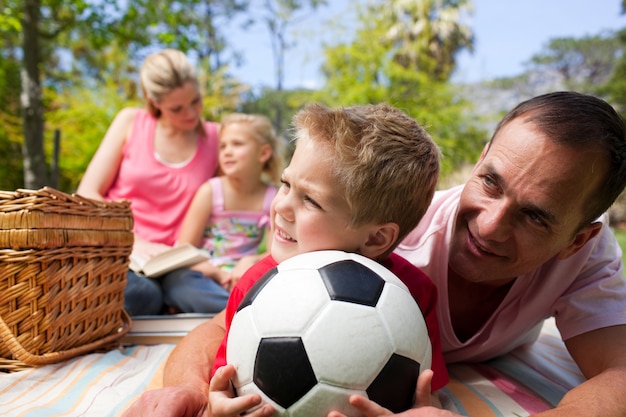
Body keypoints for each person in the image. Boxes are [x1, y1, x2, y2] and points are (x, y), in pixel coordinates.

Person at [123, 91, 626, 417]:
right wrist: (189, 390)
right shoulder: (368, 224)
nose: (490, 226)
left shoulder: (590, 256)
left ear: (578, 238)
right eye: (490, 181)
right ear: (479, 160)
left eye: (535, 215)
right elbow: (220, 328)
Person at [208, 102, 447, 417]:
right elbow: (222, 388)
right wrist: (217, 409)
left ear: (376, 238)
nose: (281, 207)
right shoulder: (254, 288)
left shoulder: (415, 294)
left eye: (309, 199)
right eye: (285, 184)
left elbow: (428, 397)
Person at [77, 48, 222, 316]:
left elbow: (231, 200)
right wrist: (136, 240)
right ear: (154, 102)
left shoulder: (216, 137)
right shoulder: (131, 122)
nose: (191, 113)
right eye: (177, 108)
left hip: (177, 261)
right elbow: (87, 191)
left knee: (200, 295)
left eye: (196, 101)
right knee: (142, 295)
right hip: (123, 252)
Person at [166, 113, 282, 313]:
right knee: (178, 284)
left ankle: (235, 308)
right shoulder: (210, 191)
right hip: (204, 275)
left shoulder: (273, 197)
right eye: (223, 146)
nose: (227, 152)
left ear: (263, 153)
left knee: (273, 280)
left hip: (243, 277)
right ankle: (241, 311)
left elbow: (275, 253)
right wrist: (214, 273)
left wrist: (250, 261)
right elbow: (185, 250)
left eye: (237, 144)